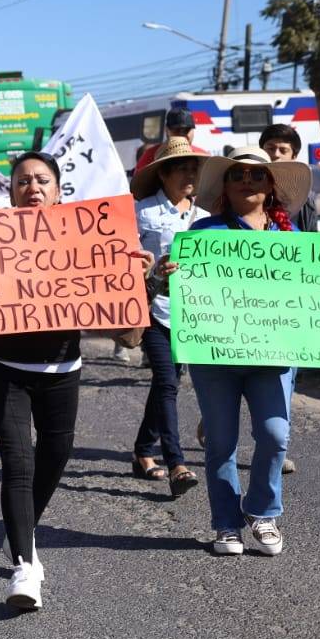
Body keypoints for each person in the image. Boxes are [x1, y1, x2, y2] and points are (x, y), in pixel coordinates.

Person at [0, 152, 151, 610]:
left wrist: (133, 281)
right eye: (23, 181)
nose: (33, 187)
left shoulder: (88, 241)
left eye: (42, 180)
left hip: (63, 371)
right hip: (5, 368)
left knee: (56, 455)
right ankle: (25, 567)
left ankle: (18, 532)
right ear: (11, 192)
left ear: (58, 190)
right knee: (18, 464)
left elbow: (127, 334)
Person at [168, 146, 320, 557]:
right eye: (238, 174)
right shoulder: (202, 235)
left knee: (275, 437)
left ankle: (262, 510)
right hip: (215, 356)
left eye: (257, 175)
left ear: (271, 185)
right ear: (225, 185)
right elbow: (177, 287)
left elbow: (317, 290)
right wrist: (163, 276)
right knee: (220, 442)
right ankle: (226, 524)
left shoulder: (292, 241)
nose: (247, 181)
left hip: (273, 357)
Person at [129, 137, 208, 496]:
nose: (190, 173)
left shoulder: (205, 218)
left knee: (166, 384)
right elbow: (124, 263)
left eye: (194, 167)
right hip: (153, 311)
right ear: (163, 173)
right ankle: (176, 463)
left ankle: (143, 451)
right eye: (182, 167)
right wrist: (152, 271)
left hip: (191, 318)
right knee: (167, 382)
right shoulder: (141, 212)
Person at [257, 123, 318, 475]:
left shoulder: (304, 202)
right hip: (247, 305)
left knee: (286, 376)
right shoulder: (245, 191)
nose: (275, 155)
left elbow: (313, 251)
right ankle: (217, 420)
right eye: (270, 148)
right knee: (238, 371)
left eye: (282, 150)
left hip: (288, 305)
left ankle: (276, 446)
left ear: (294, 156)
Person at [134, 108, 207, 172]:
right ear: (166, 130)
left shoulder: (203, 156)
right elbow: (138, 185)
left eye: (186, 130)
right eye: (177, 130)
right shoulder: (150, 156)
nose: (182, 135)